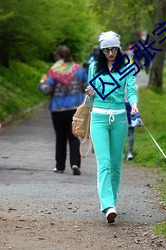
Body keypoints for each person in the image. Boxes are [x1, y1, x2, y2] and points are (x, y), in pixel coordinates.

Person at [85, 31, 139, 223]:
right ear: (101, 50)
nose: (110, 53)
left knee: (116, 164)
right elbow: (91, 96)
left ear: (118, 48)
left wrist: (133, 104)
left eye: (113, 49)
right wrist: (90, 92)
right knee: (105, 163)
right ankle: (108, 205)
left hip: (120, 118)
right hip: (99, 117)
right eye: (106, 50)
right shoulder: (94, 67)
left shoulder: (126, 67)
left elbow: (131, 91)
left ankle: (112, 201)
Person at [39, 45, 88, 175]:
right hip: (75, 109)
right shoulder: (79, 70)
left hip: (58, 109)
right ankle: (75, 163)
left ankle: (60, 166)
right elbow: (86, 86)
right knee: (74, 137)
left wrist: (42, 83)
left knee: (60, 138)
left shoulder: (54, 71)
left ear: (58, 57)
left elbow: (47, 90)